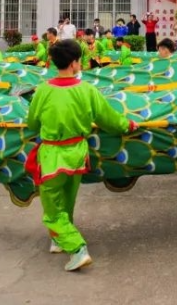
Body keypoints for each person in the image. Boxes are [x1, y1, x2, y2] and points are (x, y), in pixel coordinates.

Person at [26, 39, 138, 271]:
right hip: (77, 154)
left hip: (52, 157)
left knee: (52, 212)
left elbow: (32, 124)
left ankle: (77, 248)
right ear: (76, 63)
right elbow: (110, 120)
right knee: (67, 202)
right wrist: (127, 125)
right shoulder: (87, 90)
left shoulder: (43, 90)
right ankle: (59, 239)